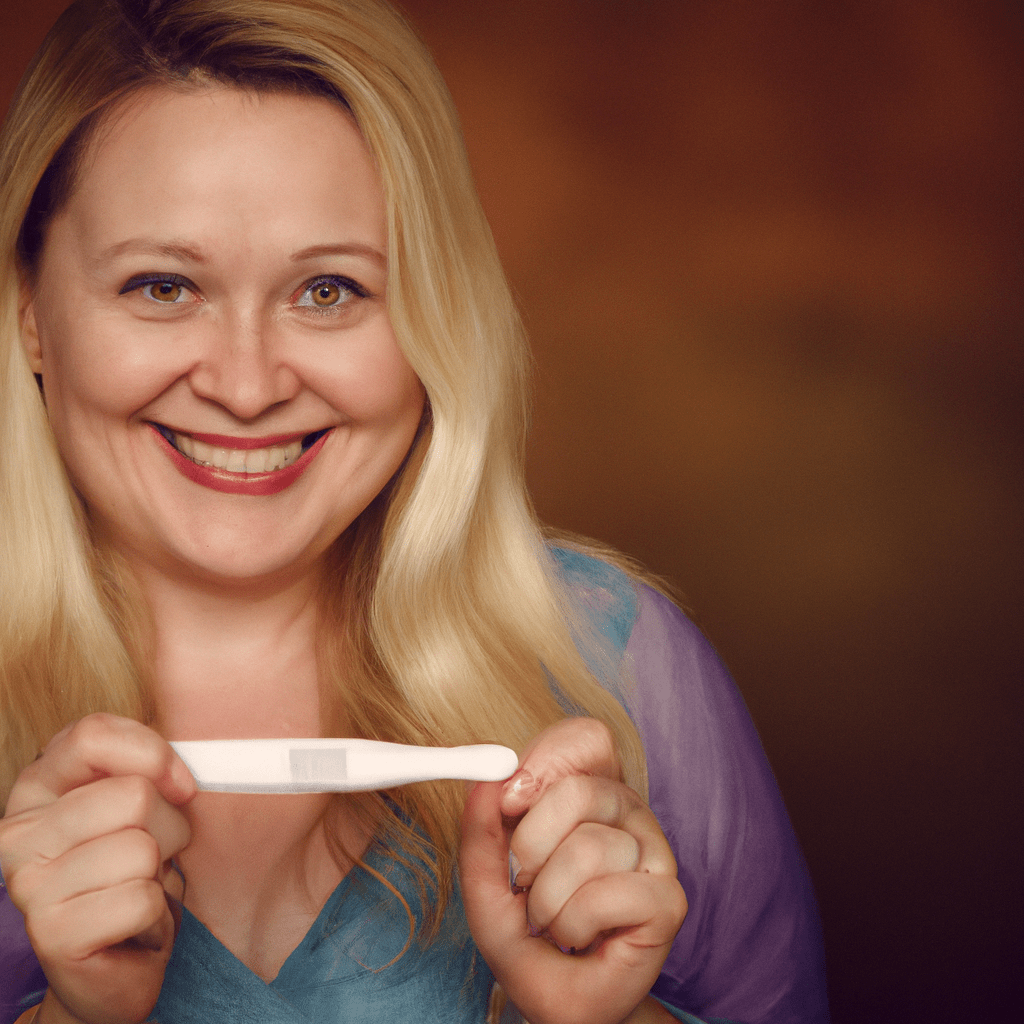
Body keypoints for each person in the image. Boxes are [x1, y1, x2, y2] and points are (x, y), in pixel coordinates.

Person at [0, 1, 828, 1022]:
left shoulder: (622, 671)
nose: (249, 386)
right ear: (32, 308)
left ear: (435, 313)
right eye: (164, 285)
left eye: (331, 291)